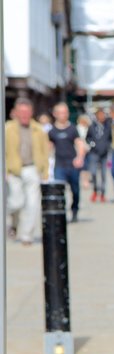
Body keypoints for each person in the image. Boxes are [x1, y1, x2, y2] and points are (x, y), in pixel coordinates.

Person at [5, 98, 49, 245]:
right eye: (21, 112)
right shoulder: (7, 128)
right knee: (15, 203)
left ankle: (27, 235)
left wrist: (45, 171)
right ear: (16, 112)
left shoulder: (38, 129)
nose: (24, 115)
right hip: (13, 170)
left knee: (32, 203)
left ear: (31, 112)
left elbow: (45, 152)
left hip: (32, 168)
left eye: (27, 112)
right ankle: (14, 223)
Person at [49, 103, 88, 222]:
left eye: (65, 112)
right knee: (59, 191)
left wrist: (80, 157)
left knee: (75, 190)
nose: (63, 115)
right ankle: (61, 213)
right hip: (59, 165)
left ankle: (74, 210)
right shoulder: (52, 131)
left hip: (72, 164)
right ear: (55, 114)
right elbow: (48, 147)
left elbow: (80, 144)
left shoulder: (72, 129)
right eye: (61, 112)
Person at [86, 108, 112, 202]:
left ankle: (103, 193)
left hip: (104, 153)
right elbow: (88, 138)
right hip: (94, 153)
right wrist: (92, 144)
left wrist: (107, 146)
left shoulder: (108, 126)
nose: (102, 117)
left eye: (103, 115)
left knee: (104, 174)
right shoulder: (92, 126)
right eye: (100, 115)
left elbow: (110, 138)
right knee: (93, 173)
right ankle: (95, 190)